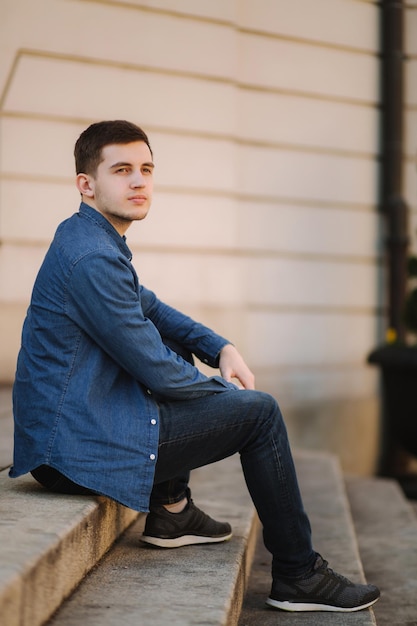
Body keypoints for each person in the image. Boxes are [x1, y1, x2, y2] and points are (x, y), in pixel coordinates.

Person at [10, 120, 380, 613]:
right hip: (73, 451)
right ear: (87, 184)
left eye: (146, 169)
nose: (139, 181)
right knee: (260, 414)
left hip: (74, 430)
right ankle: (298, 574)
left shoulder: (87, 236)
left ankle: (172, 511)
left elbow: (153, 310)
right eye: (122, 170)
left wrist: (219, 345)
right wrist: (235, 402)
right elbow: (160, 374)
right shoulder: (92, 257)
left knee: (173, 343)